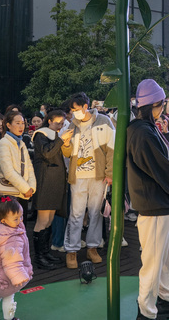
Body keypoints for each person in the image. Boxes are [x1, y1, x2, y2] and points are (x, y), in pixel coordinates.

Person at [126, 79, 169, 320]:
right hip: (154, 206)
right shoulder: (142, 132)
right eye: (162, 103)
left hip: (160, 205)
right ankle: (146, 313)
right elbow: (164, 170)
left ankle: (163, 301)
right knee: (153, 265)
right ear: (153, 105)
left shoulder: (146, 128)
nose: (164, 107)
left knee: (162, 261)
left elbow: (166, 166)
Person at [60, 92, 114, 270]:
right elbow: (66, 154)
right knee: (76, 214)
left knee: (95, 212)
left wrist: (110, 173)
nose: (73, 113)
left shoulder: (104, 121)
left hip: (98, 176)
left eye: (76, 109)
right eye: (71, 110)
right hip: (78, 176)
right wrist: (66, 144)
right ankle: (72, 250)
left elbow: (112, 150)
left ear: (85, 106)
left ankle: (92, 247)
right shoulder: (71, 125)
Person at [31, 109, 68, 270]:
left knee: (50, 219)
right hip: (46, 181)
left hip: (55, 182)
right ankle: (40, 257)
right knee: (42, 220)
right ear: (50, 120)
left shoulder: (54, 135)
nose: (60, 126)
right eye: (57, 122)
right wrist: (62, 140)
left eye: (62, 123)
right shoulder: (41, 134)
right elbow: (47, 153)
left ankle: (45, 253)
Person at [0, 111, 36, 228]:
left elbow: (29, 167)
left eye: (23, 123)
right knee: (9, 230)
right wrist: (26, 188)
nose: (21, 126)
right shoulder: (3, 143)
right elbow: (8, 172)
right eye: (17, 123)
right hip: (9, 192)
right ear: (8, 125)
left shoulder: (21, 143)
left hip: (23, 193)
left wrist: (31, 187)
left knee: (21, 229)